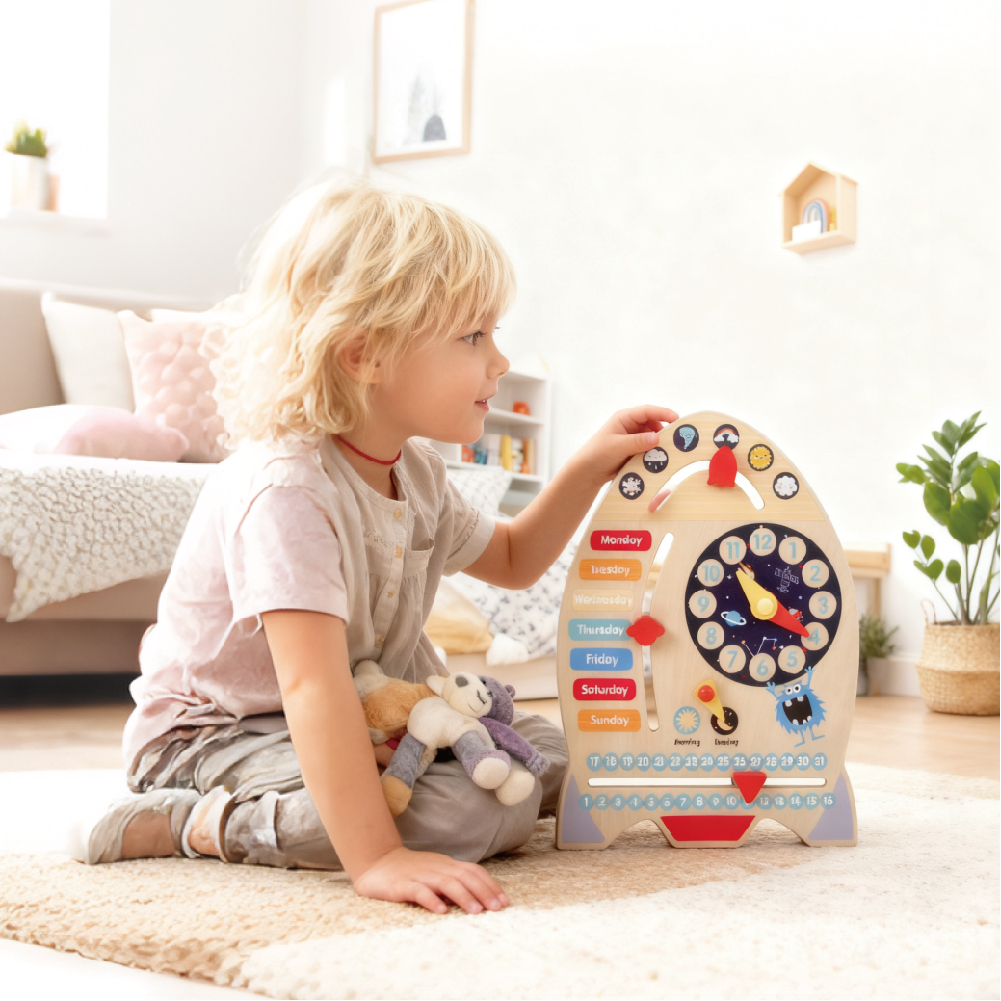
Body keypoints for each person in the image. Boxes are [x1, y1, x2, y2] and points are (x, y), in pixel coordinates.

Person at [73, 181, 677, 915]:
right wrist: (379, 857)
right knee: (467, 812)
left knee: (560, 755)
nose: (499, 361)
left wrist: (587, 467)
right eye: (473, 336)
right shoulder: (287, 489)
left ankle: (375, 797)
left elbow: (515, 560)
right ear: (365, 354)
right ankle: (190, 822)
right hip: (220, 734)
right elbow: (310, 687)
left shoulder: (416, 470)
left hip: (366, 712)